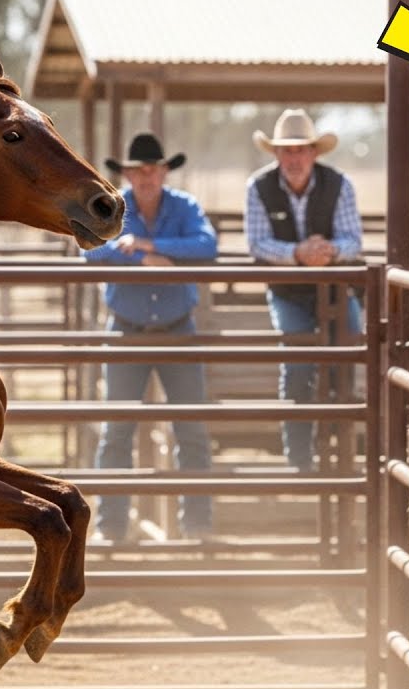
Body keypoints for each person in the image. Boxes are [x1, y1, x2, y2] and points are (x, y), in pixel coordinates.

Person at [83, 132, 218, 542]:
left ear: (163, 171)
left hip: (176, 328)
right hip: (128, 328)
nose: (146, 177)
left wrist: (147, 243)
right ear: (127, 174)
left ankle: (196, 526)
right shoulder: (112, 205)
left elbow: (207, 245)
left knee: (190, 429)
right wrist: (148, 257)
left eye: (153, 170)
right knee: (117, 431)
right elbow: (89, 248)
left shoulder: (184, 206)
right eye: (139, 171)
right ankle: (112, 528)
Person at [244, 108, 363, 474]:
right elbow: (257, 243)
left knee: (348, 356)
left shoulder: (339, 183)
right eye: (287, 150)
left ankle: (340, 448)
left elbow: (352, 240)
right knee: (296, 364)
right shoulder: (259, 187)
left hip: (335, 288)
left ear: (313, 152)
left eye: (300, 150)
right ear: (276, 154)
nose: (294, 158)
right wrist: (299, 253)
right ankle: (300, 457)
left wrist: (325, 251)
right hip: (289, 291)